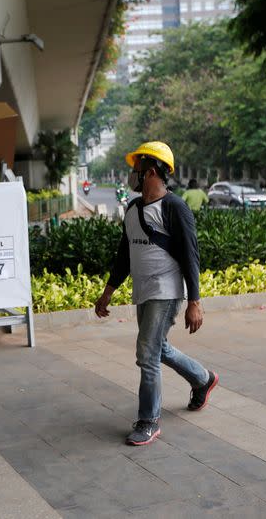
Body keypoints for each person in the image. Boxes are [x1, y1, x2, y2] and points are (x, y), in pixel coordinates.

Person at [94, 141, 218, 446]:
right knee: (158, 349)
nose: (132, 175)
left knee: (146, 353)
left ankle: (149, 420)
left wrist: (195, 302)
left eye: (136, 170)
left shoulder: (175, 207)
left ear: (150, 172)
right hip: (144, 291)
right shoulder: (133, 209)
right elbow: (125, 254)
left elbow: (191, 255)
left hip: (167, 290)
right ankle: (203, 379)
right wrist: (108, 292)